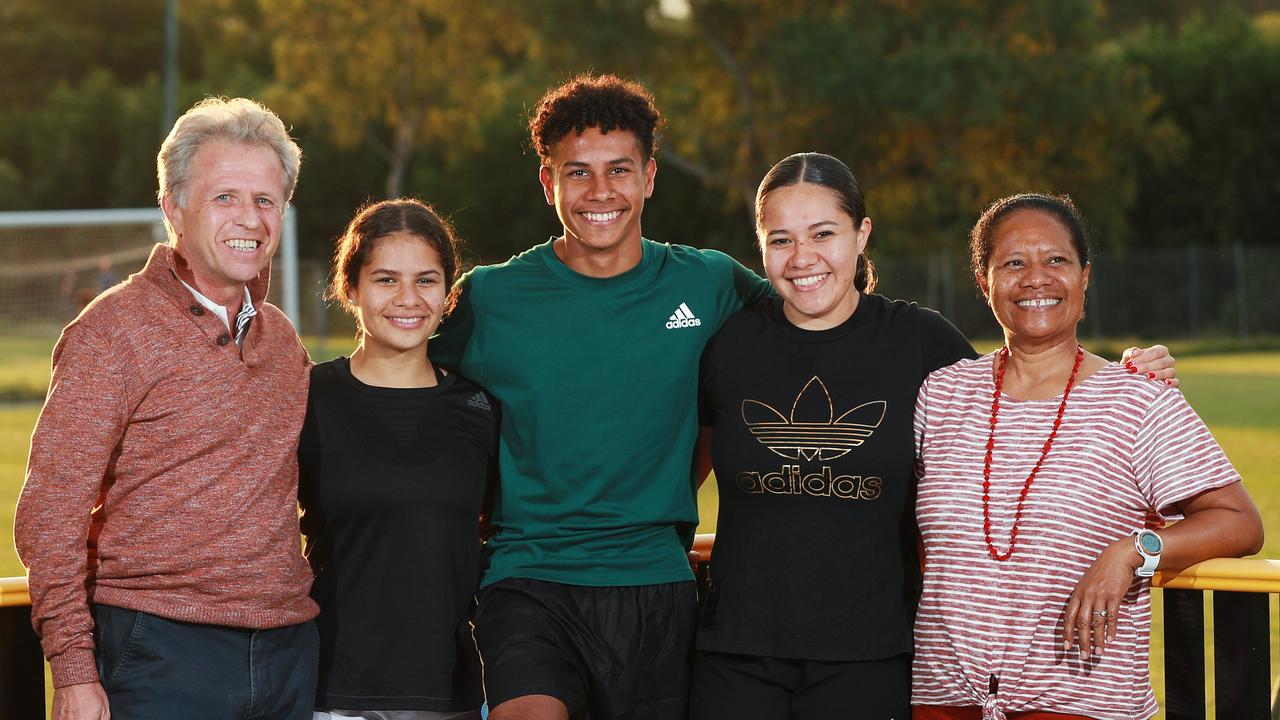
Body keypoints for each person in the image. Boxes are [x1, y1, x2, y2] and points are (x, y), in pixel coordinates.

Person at [689, 155, 1179, 720]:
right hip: (735, 652)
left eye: (824, 233)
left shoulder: (921, 343)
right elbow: (682, 476)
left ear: (862, 233)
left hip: (870, 654)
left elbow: (1016, 403)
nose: (803, 258)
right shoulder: (730, 345)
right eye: (781, 240)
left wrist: (1121, 378)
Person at [428, 74, 774, 720]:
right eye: (577, 173)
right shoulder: (490, 298)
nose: (600, 192)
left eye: (619, 170)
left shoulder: (711, 283)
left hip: (656, 581)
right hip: (527, 576)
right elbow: (402, 380)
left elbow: (814, 326)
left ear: (648, 176)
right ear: (547, 183)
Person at [15, 97, 318, 719]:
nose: (250, 219)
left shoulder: (283, 342)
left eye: (265, 200)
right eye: (225, 197)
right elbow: (50, 512)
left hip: (289, 651)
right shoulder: (113, 331)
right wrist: (73, 669)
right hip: (160, 652)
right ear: (172, 208)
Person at [910, 193, 1264, 720]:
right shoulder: (941, 393)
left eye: (1056, 260)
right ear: (985, 283)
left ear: (1085, 277)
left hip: (1081, 705)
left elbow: (1240, 523)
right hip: (941, 701)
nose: (1036, 279)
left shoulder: (1138, 398)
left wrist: (1131, 553)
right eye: (1013, 263)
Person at [299, 199, 496, 720]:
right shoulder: (305, 397)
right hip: (335, 688)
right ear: (351, 288)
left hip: (450, 690)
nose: (408, 299)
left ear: (448, 294)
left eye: (426, 280)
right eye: (386, 279)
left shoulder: (479, 408)